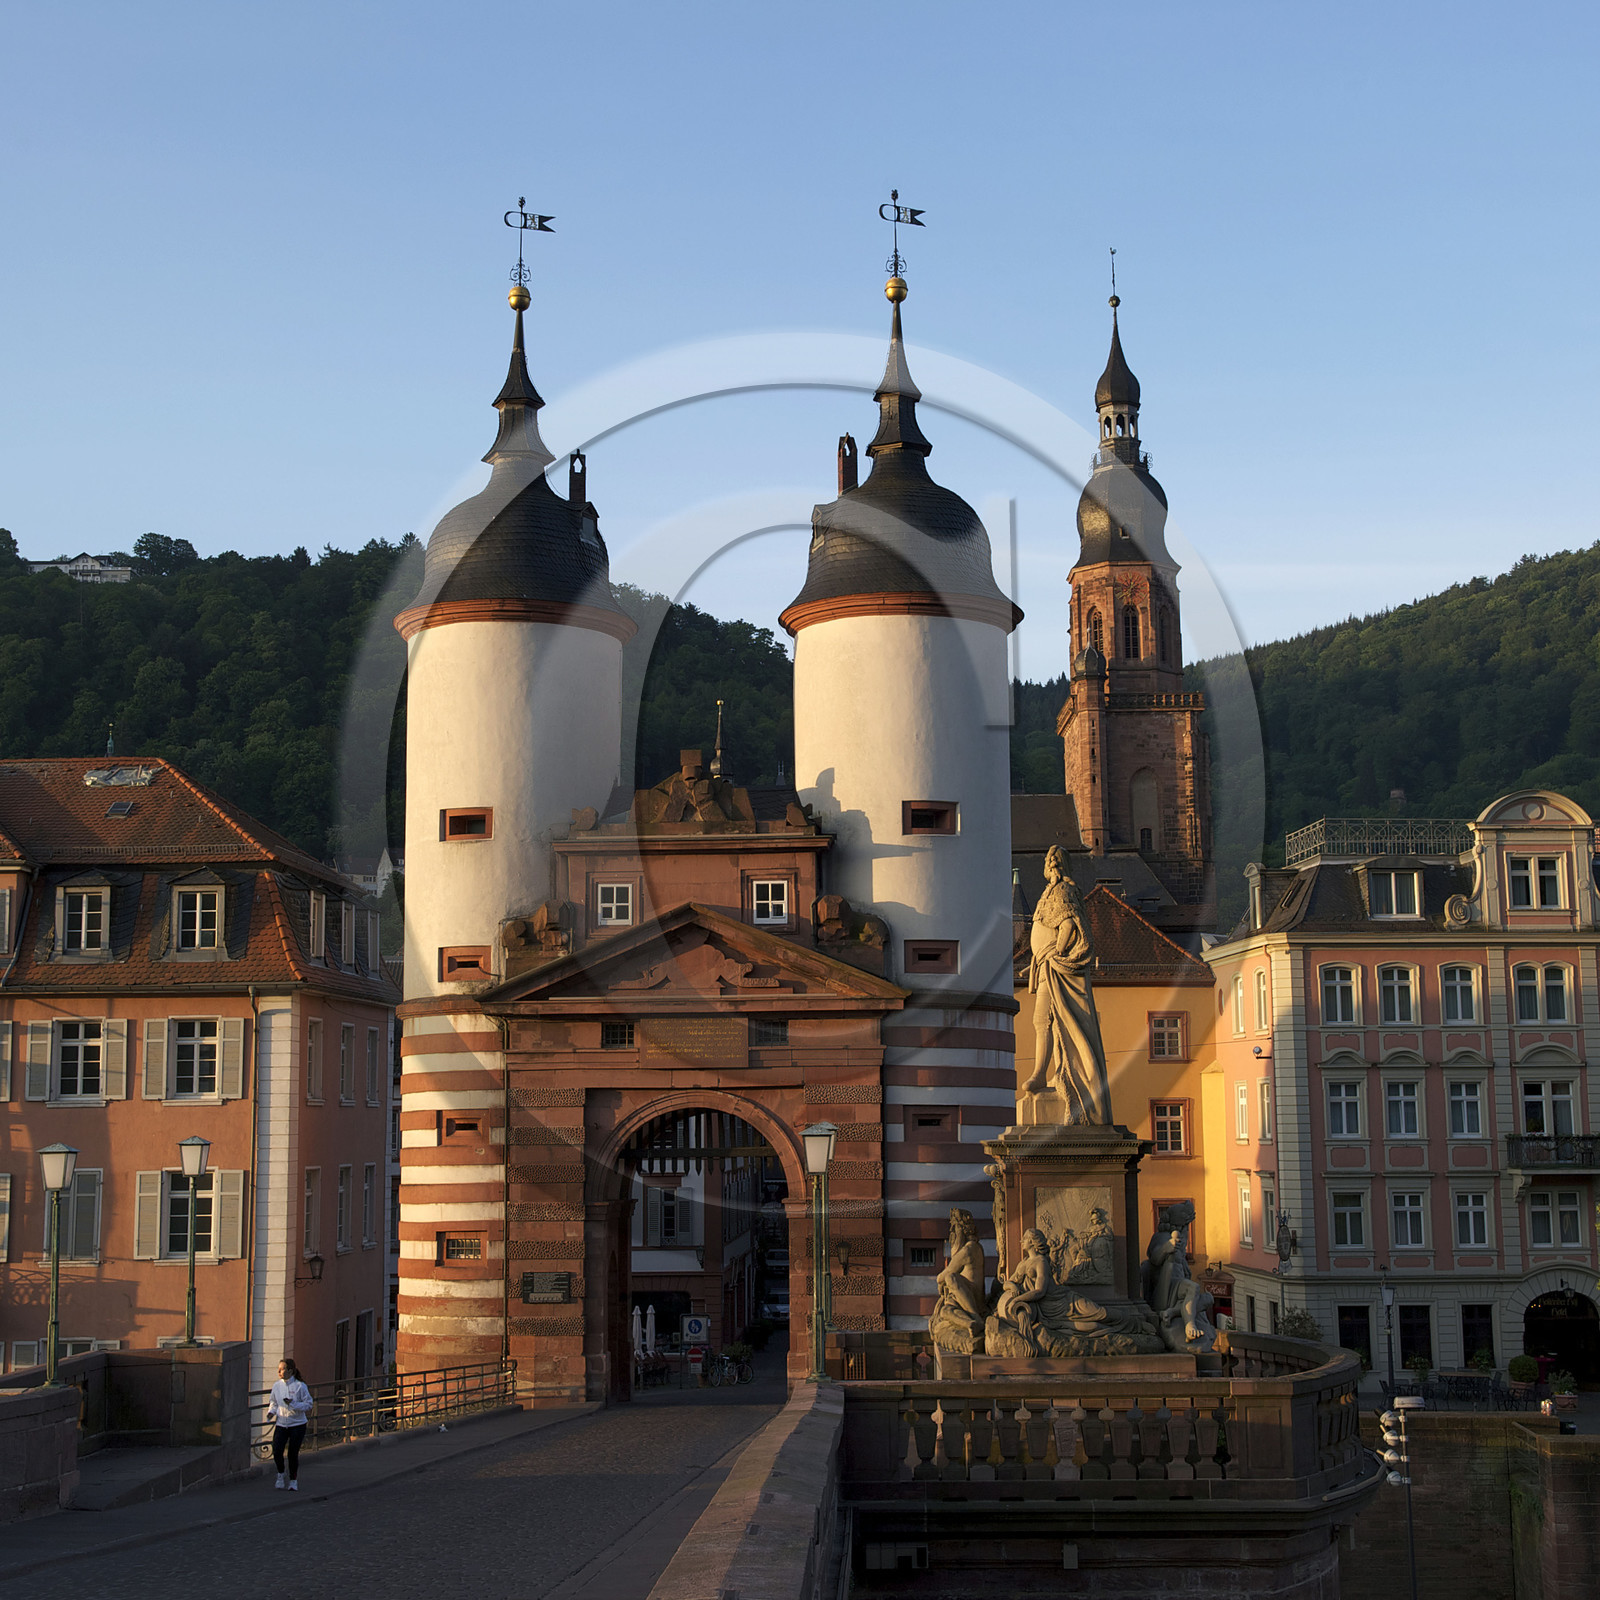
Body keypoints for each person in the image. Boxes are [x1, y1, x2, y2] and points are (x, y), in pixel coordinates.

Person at [267, 1358, 314, 1490]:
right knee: (277, 1450)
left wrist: (293, 1404)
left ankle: (293, 1480)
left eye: (282, 1369)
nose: (279, 1372)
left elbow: (308, 1404)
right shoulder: (277, 1386)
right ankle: (280, 1474)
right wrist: (271, 1412)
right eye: (279, 1369)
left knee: (293, 1453)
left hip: (297, 1424)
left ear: (290, 1371)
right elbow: (274, 1402)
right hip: (282, 1423)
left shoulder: (300, 1386)